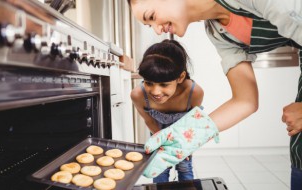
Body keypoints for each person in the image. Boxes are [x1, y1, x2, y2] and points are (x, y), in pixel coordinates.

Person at [127, 0, 302, 189]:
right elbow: (245, 101)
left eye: (152, 16)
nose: (157, 30)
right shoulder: (218, 33)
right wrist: (189, 136)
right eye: (148, 25)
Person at [130, 39, 204, 183]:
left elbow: (193, 122)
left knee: (184, 167)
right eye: (149, 82)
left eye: (164, 84)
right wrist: (162, 143)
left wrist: (185, 146)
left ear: (180, 77)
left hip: (184, 136)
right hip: (158, 133)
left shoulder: (194, 93)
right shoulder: (138, 95)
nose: (156, 91)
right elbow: (149, 120)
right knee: (159, 169)